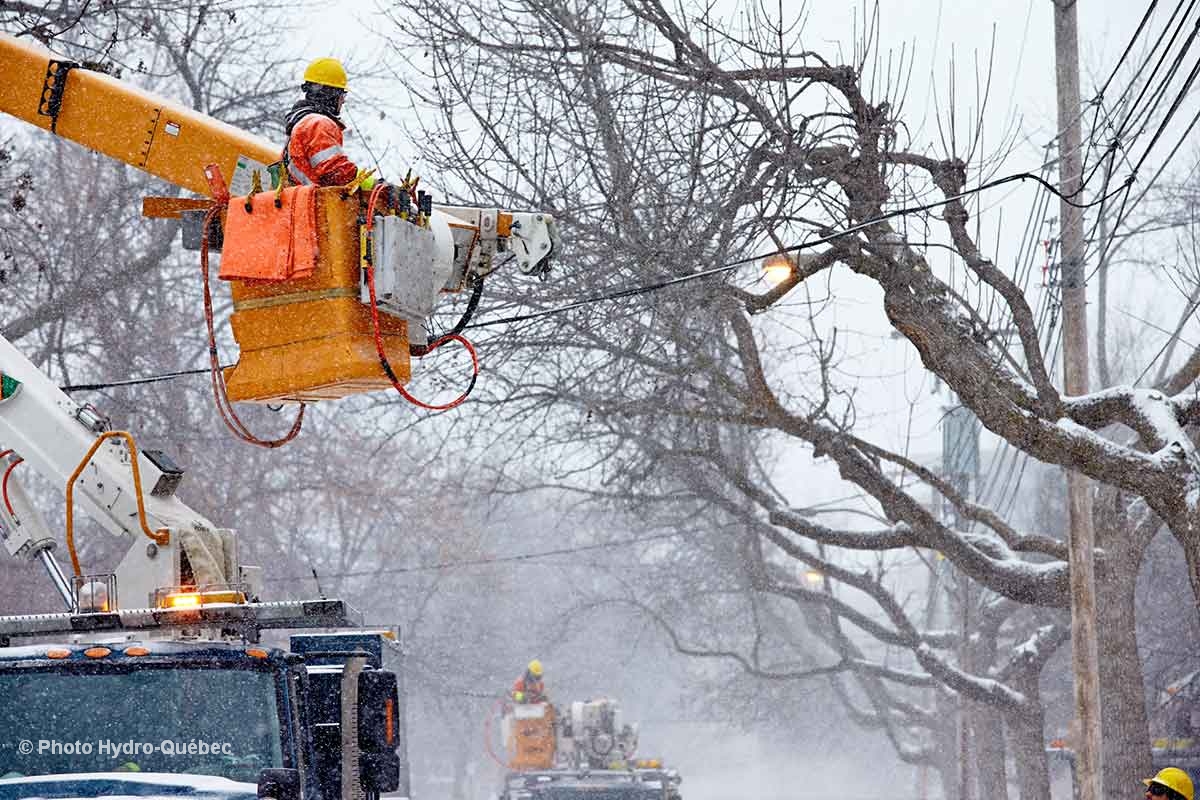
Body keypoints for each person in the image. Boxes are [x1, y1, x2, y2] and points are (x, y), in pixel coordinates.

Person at [282, 58, 374, 189]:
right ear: (332, 94)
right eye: (343, 95)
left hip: (300, 203)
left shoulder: (301, 124)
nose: (343, 101)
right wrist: (377, 187)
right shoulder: (319, 124)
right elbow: (337, 172)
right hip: (313, 206)